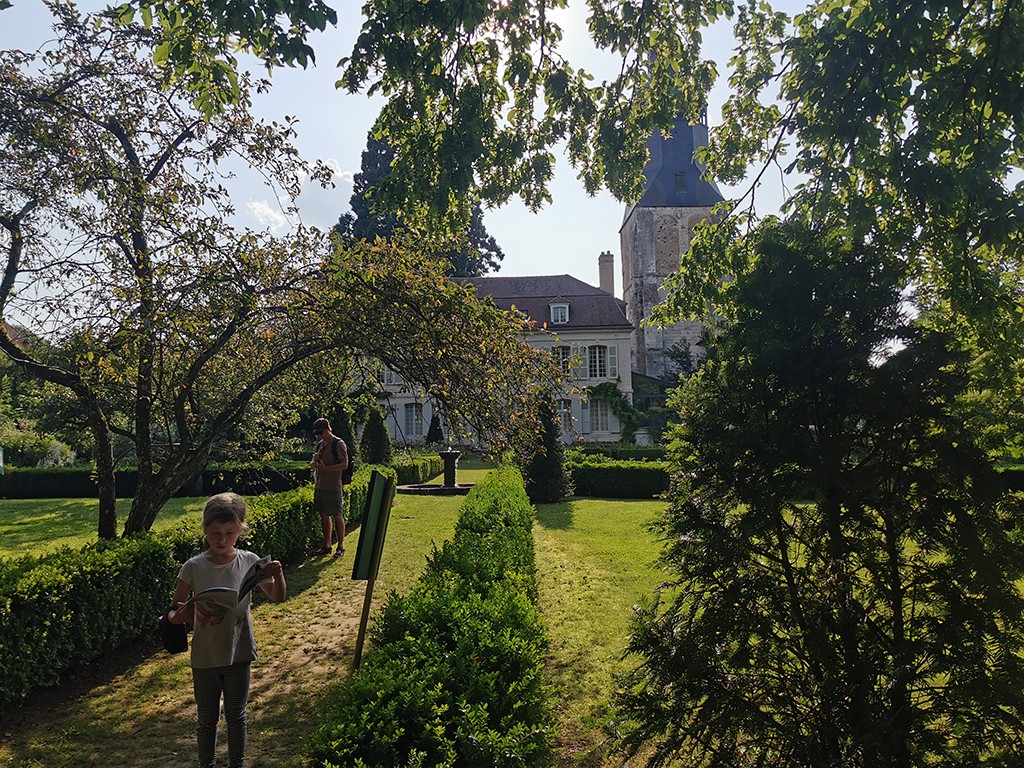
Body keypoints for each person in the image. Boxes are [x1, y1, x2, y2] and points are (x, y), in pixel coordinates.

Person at [168, 492, 286, 768]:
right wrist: (180, 615)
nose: (221, 540)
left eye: (229, 533)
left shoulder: (249, 561)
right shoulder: (193, 567)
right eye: (215, 533)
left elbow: (277, 597)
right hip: (205, 656)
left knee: (237, 715)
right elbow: (172, 612)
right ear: (205, 530)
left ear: (240, 530)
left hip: (239, 652)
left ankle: (237, 764)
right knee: (206, 719)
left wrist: (277, 574)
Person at [311, 417, 348, 556]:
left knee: (337, 515)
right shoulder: (320, 444)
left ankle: (340, 546)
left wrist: (326, 468)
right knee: (324, 515)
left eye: (321, 432)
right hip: (320, 485)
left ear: (328, 429)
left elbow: (344, 465)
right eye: (317, 433)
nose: (319, 435)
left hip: (333, 486)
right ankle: (327, 545)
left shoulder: (338, 444)